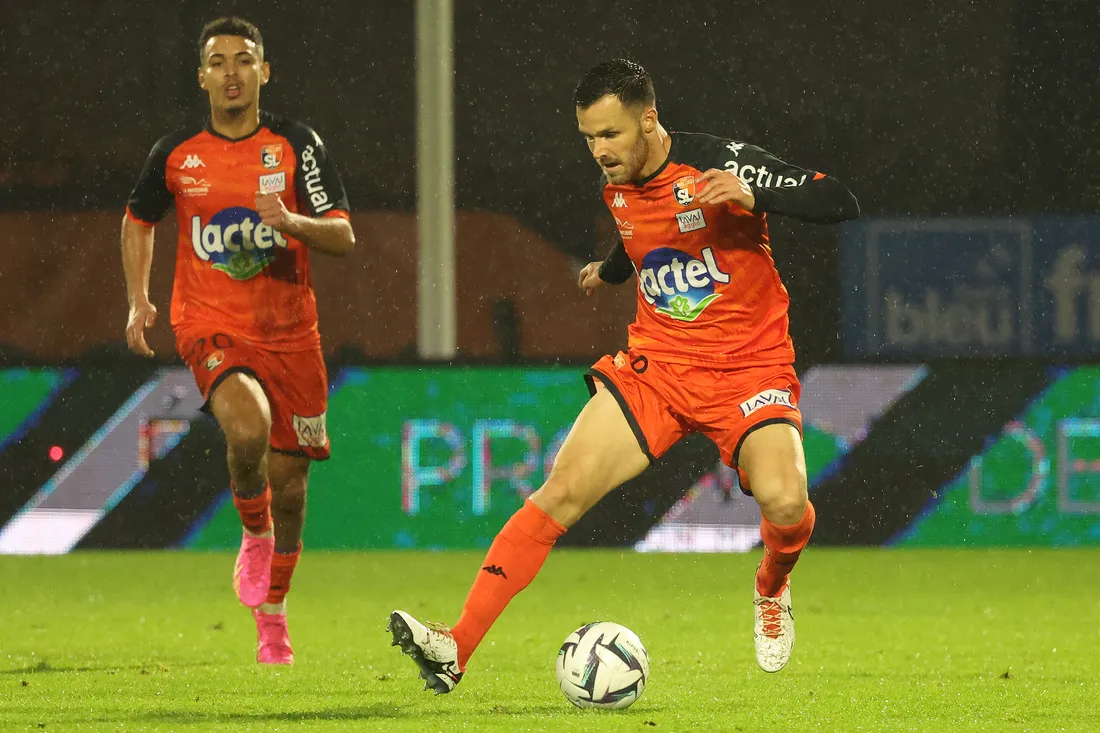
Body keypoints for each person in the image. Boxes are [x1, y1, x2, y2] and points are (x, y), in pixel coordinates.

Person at [389, 58, 860, 692]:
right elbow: (642, 237)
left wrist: (757, 195)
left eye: (610, 135)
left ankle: (772, 587)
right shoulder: (617, 187)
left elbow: (839, 199)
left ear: (649, 120)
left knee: (785, 501)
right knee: (559, 492)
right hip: (658, 368)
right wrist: (610, 271)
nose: (599, 152)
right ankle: (455, 647)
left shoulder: (721, 162)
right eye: (588, 138)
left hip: (748, 371)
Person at [121, 16, 354, 665]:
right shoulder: (177, 153)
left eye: (243, 59)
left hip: (291, 334)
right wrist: (139, 298)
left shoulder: (296, 144)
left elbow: (343, 236)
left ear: (263, 71)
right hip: (209, 322)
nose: (231, 71)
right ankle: (254, 531)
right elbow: (138, 218)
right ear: (201, 77)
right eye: (218, 61)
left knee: (293, 487)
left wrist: (294, 221)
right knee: (245, 429)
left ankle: (273, 618)